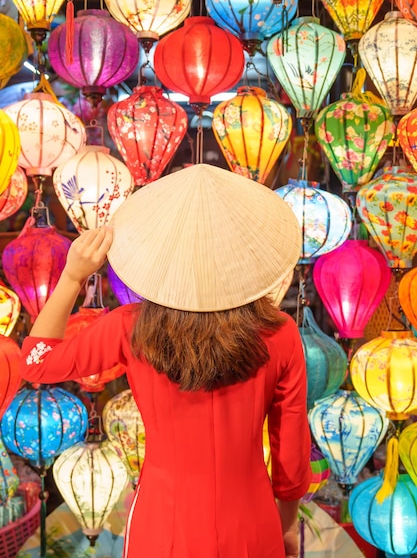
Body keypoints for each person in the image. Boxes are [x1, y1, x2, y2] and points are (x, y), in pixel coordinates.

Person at [20, 163, 312, 558]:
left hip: (162, 522)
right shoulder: (280, 333)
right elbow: (290, 454)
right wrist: (286, 523)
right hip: (252, 519)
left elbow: (37, 363)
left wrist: (74, 277)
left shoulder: (129, 327)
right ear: (243, 253)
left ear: (160, 251)